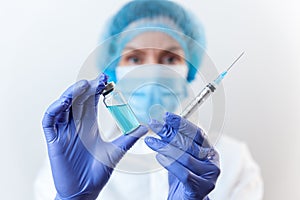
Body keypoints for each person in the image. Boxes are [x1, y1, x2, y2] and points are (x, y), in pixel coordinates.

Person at [35, 0, 263, 199]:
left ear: (189, 70)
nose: (152, 71)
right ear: (113, 70)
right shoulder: (73, 160)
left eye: (170, 58)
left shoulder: (233, 161)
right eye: (135, 58)